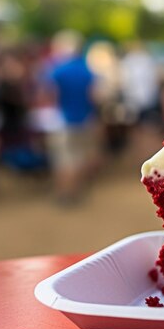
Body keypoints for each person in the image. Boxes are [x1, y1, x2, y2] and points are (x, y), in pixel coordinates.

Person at [46, 30, 97, 204]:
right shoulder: (86, 70)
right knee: (81, 157)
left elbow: (49, 95)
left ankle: (65, 194)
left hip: (64, 120)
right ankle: (77, 190)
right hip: (85, 119)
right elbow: (93, 96)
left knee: (64, 160)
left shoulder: (58, 70)